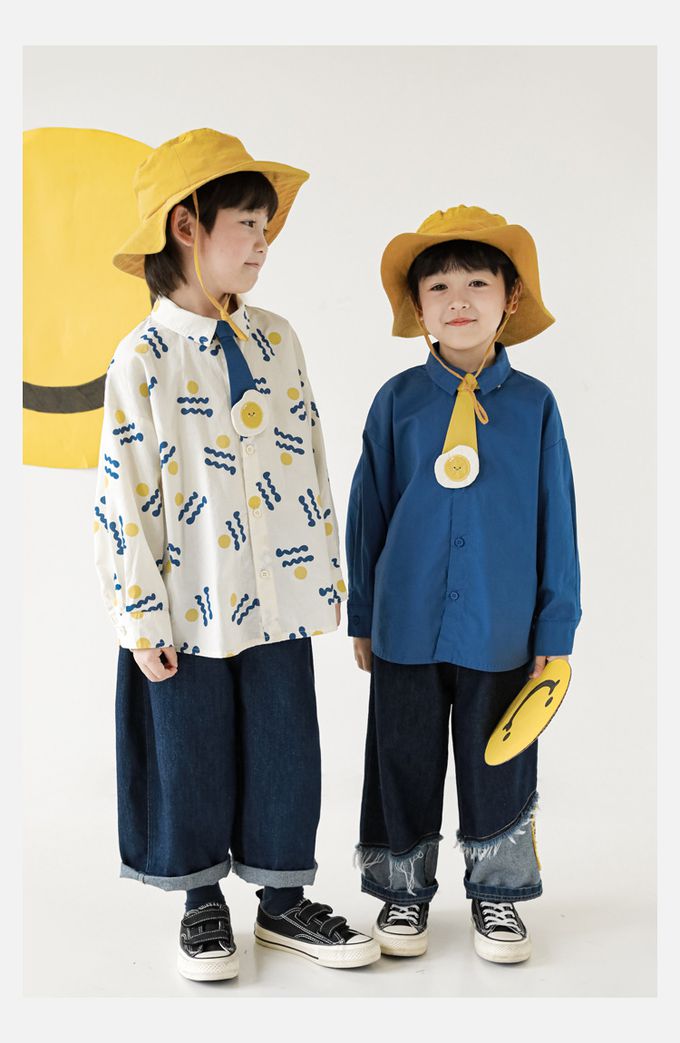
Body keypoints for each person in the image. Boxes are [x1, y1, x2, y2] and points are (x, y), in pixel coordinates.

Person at [93, 128, 380, 981]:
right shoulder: (141, 359)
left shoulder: (277, 339)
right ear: (187, 226)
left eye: (265, 226)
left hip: (280, 592)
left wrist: (327, 574)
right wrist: (139, 614)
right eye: (247, 225)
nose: (263, 243)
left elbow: (311, 454)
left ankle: (284, 901)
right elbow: (122, 496)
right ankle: (200, 899)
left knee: (286, 744)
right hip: (190, 603)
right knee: (191, 750)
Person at [346, 205, 581, 964]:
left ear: (510, 299)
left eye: (478, 283)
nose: (458, 300)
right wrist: (363, 616)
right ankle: (402, 892)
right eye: (439, 286)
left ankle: (498, 894)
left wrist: (555, 631)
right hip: (406, 622)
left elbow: (557, 521)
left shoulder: (536, 406)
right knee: (402, 757)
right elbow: (368, 513)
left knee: (499, 760)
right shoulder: (396, 402)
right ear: (418, 308)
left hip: (502, 627)